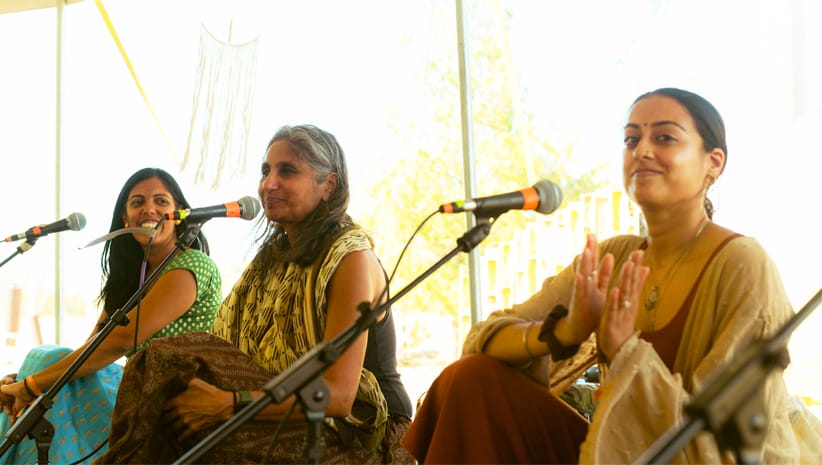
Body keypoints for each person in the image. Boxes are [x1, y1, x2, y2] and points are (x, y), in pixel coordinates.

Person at [401, 88, 822, 464]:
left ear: (714, 163)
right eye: (631, 139)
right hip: (614, 454)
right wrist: (566, 331)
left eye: (664, 137)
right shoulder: (615, 256)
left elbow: (718, 442)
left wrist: (626, 351)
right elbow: (486, 337)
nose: (641, 151)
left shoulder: (743, 265)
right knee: (472, 379)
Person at [96, 124, 415, 464]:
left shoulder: (351, 259)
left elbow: (338, 396)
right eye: (265, 171)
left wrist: (228, 405)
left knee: (180, 397)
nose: (269, 183)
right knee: (165, 383)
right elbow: (227, 351)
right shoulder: (271, 261)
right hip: (289, 413)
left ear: (329, 185)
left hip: (364, 435)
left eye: (287, 171)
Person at [0, 167, 223, 464]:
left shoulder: (192, 266)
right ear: (124, 218)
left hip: (173, 401)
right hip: (132, 394)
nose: (149, 209)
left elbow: (119, 342)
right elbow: (92, 345)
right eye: (137, 202)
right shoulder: (129, 278)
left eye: (161, 201)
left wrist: (31, 385)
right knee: (43, 357)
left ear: (181, 212)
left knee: (48, 365)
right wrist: (30, 375)